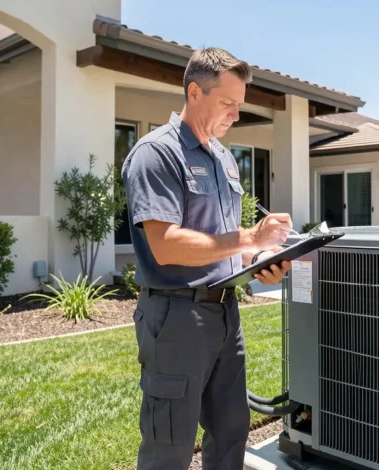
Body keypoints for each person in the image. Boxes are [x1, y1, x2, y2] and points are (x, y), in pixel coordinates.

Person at [121, 46, 293, 470]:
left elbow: (226, 238)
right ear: (195, 92)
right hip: (177, 316)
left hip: (225, 313)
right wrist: (249, 237)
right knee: (170, 446)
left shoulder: (222, 158)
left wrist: (261, 257)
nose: (236, 115)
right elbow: (165, 244)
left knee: (232, 432)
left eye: (240, 105)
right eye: (228, 103)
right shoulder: (156, 153)